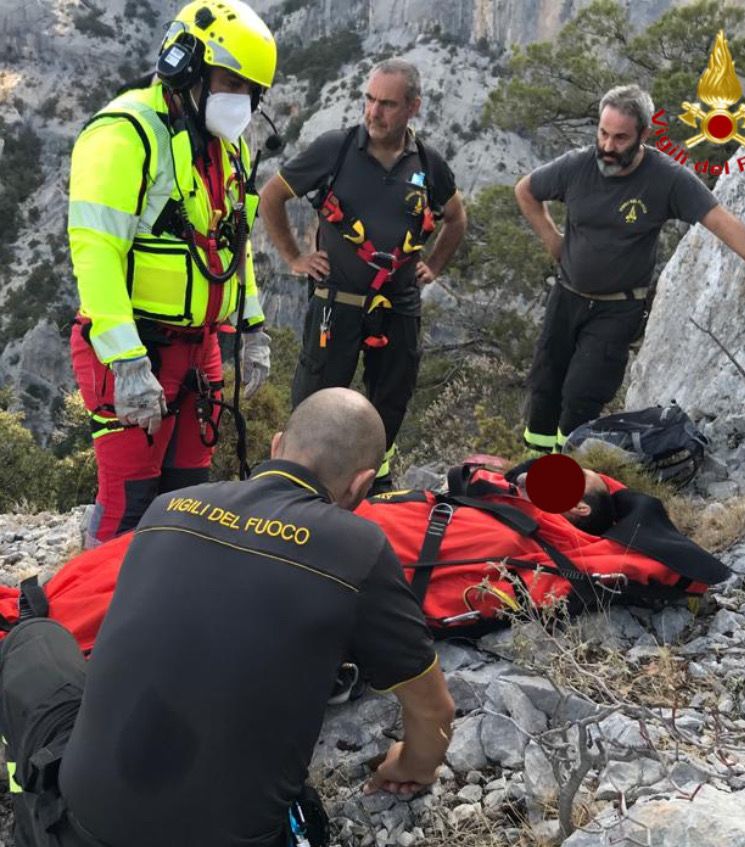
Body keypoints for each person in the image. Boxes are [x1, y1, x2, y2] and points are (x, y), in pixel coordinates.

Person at [0, 388, 455, 846]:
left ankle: (28, 810)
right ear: (362, 484)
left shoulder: (168, 507)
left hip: (76, 830)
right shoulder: (361, 549)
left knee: (34, 638)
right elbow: (433, 710)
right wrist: (411, 764)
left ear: (276, 445)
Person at [69, 0, 277, 548]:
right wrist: (127, 361)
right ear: (187, 63)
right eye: (230, 80)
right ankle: (96, 624)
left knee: (188, 498)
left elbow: (234, 246)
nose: (241, 99)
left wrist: (251, 326)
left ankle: (166, 611)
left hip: (200, 347)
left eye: (250, 89)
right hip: (139, 347)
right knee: (130, 504)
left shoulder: (223, 148)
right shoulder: (125, 133)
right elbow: (95, 251)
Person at [515, 84, 745, 454]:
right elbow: (525, 190)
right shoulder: (577, 165)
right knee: (544, 386)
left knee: (581, 395)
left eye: (620, 138)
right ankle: (531, 470)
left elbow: (716, 218)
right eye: (603, 133)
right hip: (566, 297)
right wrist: (553, 240)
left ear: (643, 136)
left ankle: (570, 479)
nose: (607, 145)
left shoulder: (666, 179)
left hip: (617, 309)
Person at [260, 58, 467, 493]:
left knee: (389, 403)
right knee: (314, 404)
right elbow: (272, 197)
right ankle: (298, 491)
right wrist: (295, 257)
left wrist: (436, 264)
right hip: (337, 308)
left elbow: (455, 218)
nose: (374, 112)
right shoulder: (335, 150)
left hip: (398, 308)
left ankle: (373, 490)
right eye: (369, 100)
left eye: (388, 104)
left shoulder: (428, 164)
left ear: (413, 107)